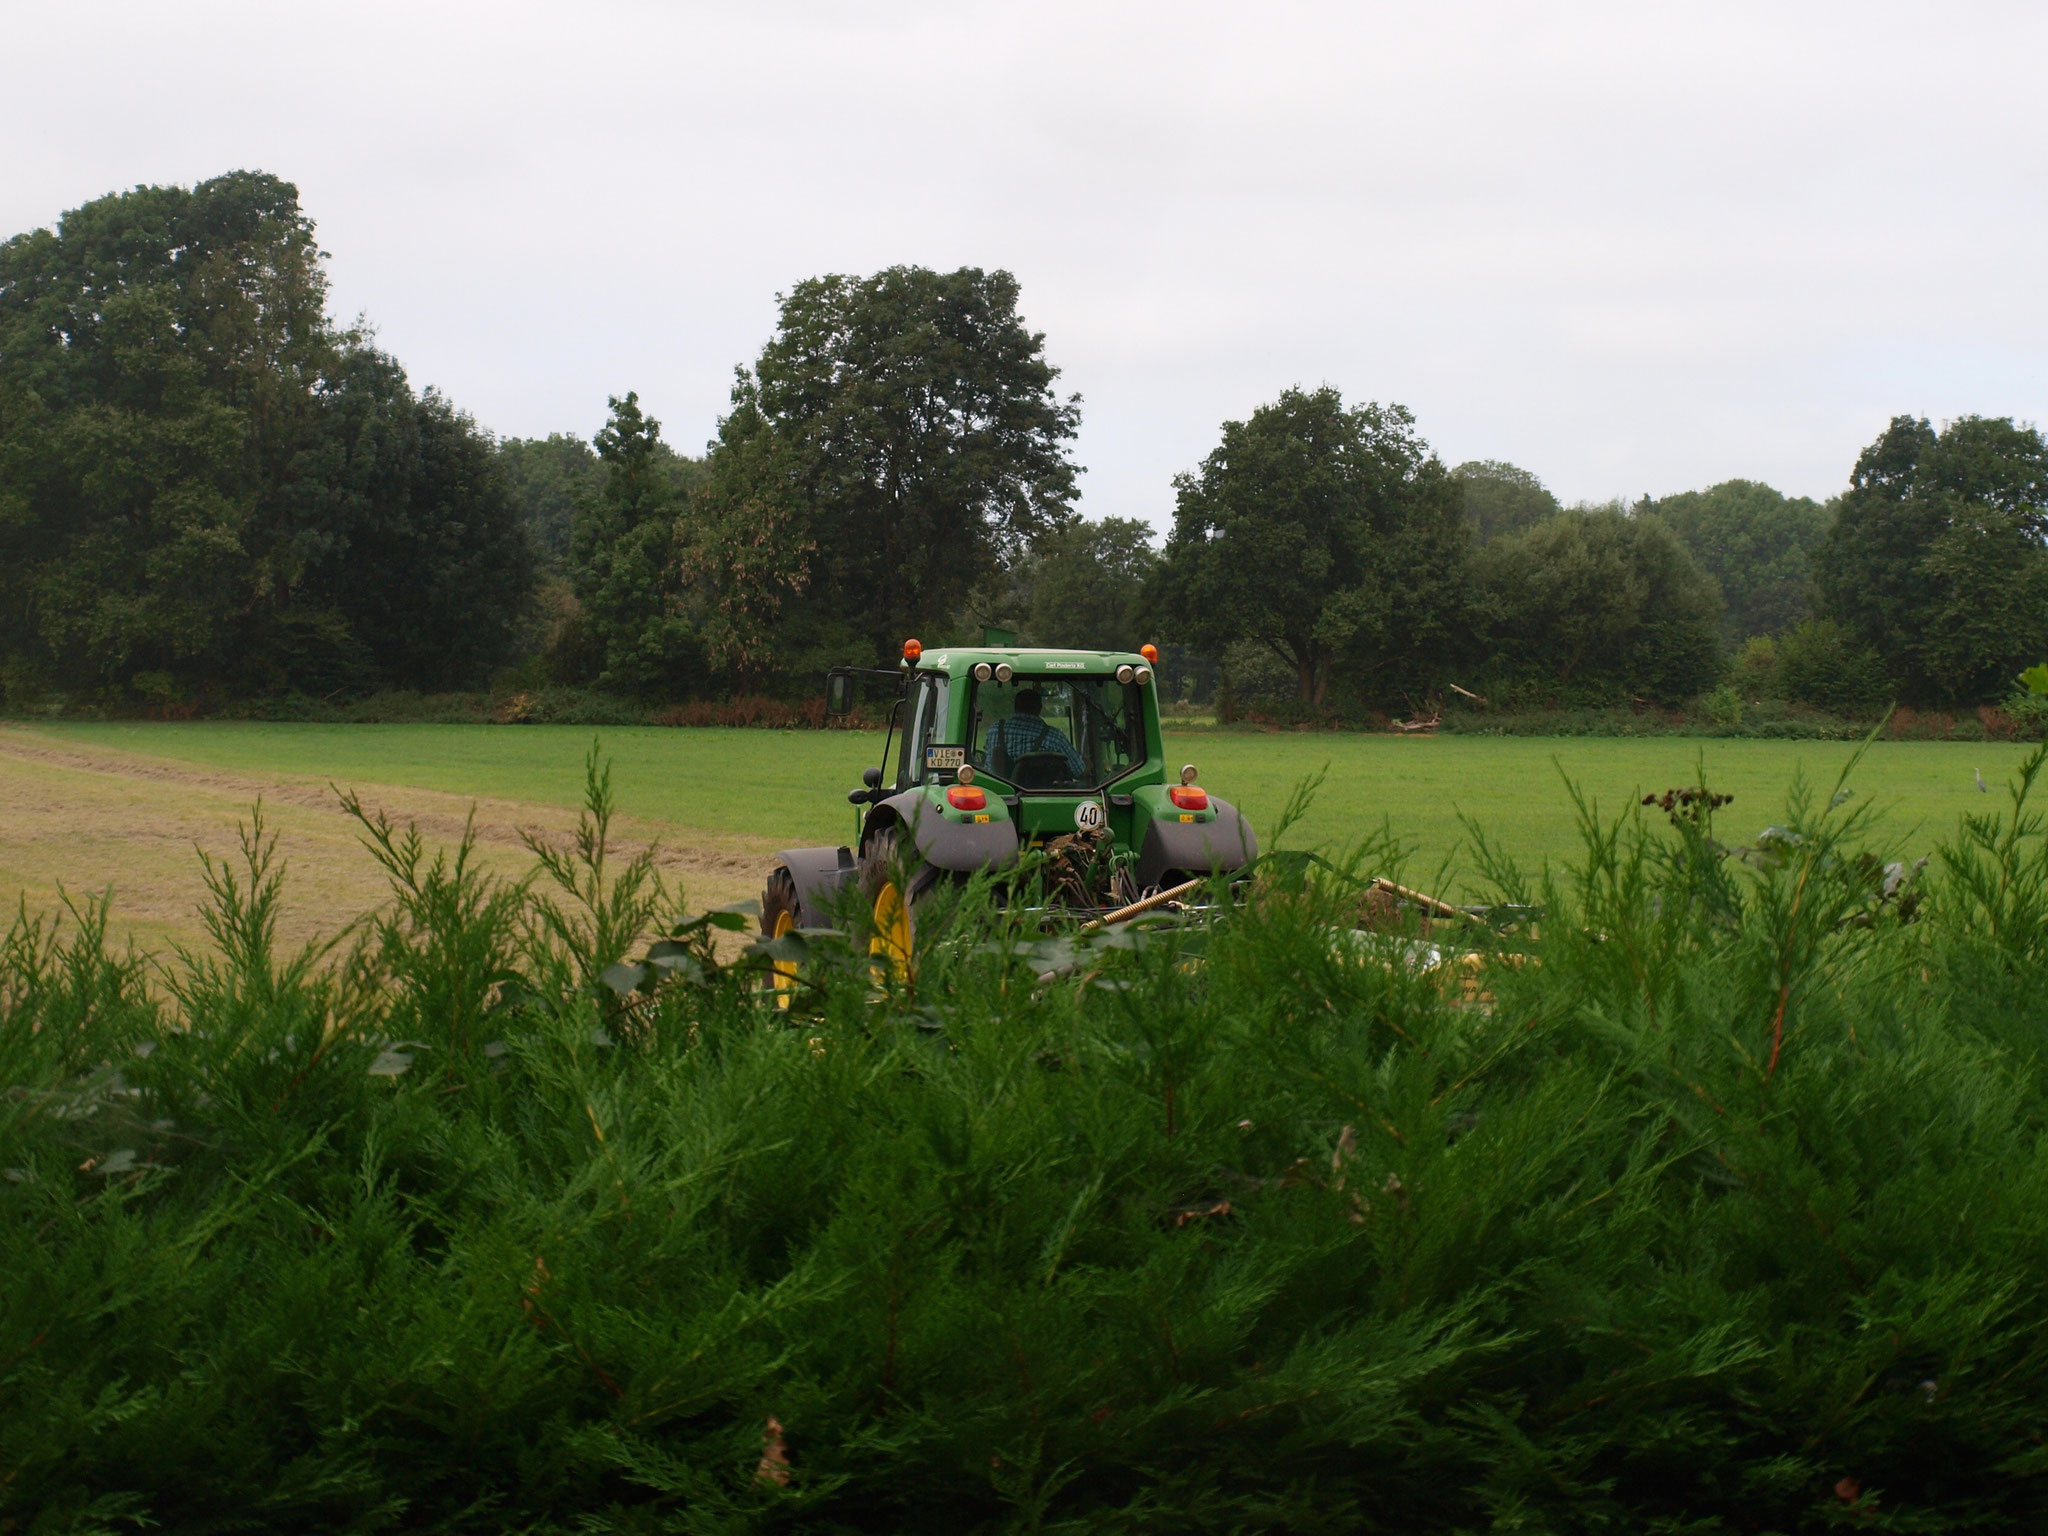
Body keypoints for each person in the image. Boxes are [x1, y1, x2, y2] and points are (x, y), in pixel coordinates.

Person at [986, 688, 1086, 782]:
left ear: (1015, 707)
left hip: (1003, 796)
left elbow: (988, 767)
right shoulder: (1055, 738)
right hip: (1046, 796)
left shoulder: (994, 731)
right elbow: (1079, 772)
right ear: (1039, 708)